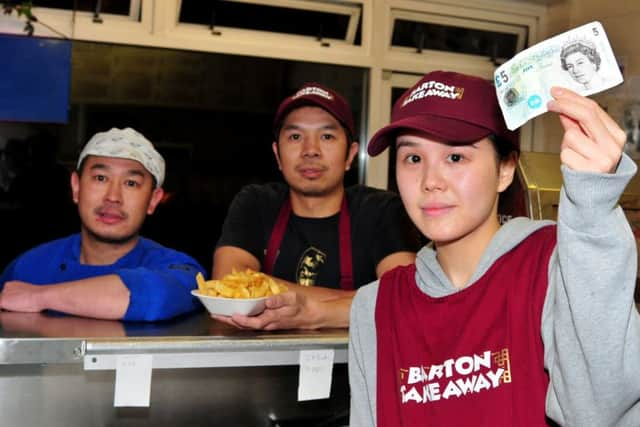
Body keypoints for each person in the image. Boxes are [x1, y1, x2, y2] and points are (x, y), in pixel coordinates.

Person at [349, 71, 640, 425]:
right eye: (412, 158)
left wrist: (592, 206)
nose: (430, 182)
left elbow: (599, 410)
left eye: (455, 157)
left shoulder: (554, 264)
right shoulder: (375, 306)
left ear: (505, 169)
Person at [212, 82, 421, 330]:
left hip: (357, 366)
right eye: (295, 136)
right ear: (278, 155)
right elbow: (227, 285)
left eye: (327, 136)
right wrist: (359, 301)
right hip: (265, 364)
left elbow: (403, 299)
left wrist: (304, 309)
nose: (310, 150)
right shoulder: (256, 203)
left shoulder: (381, 209)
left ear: (350, 155)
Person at [0, 127, 206, 321]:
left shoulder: (181, 270)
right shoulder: (28, 267)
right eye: (100, 178)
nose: (113, 197)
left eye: (131, 183)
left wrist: (39, 297)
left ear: (153, 200)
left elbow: (156, 297)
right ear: (76, 187)